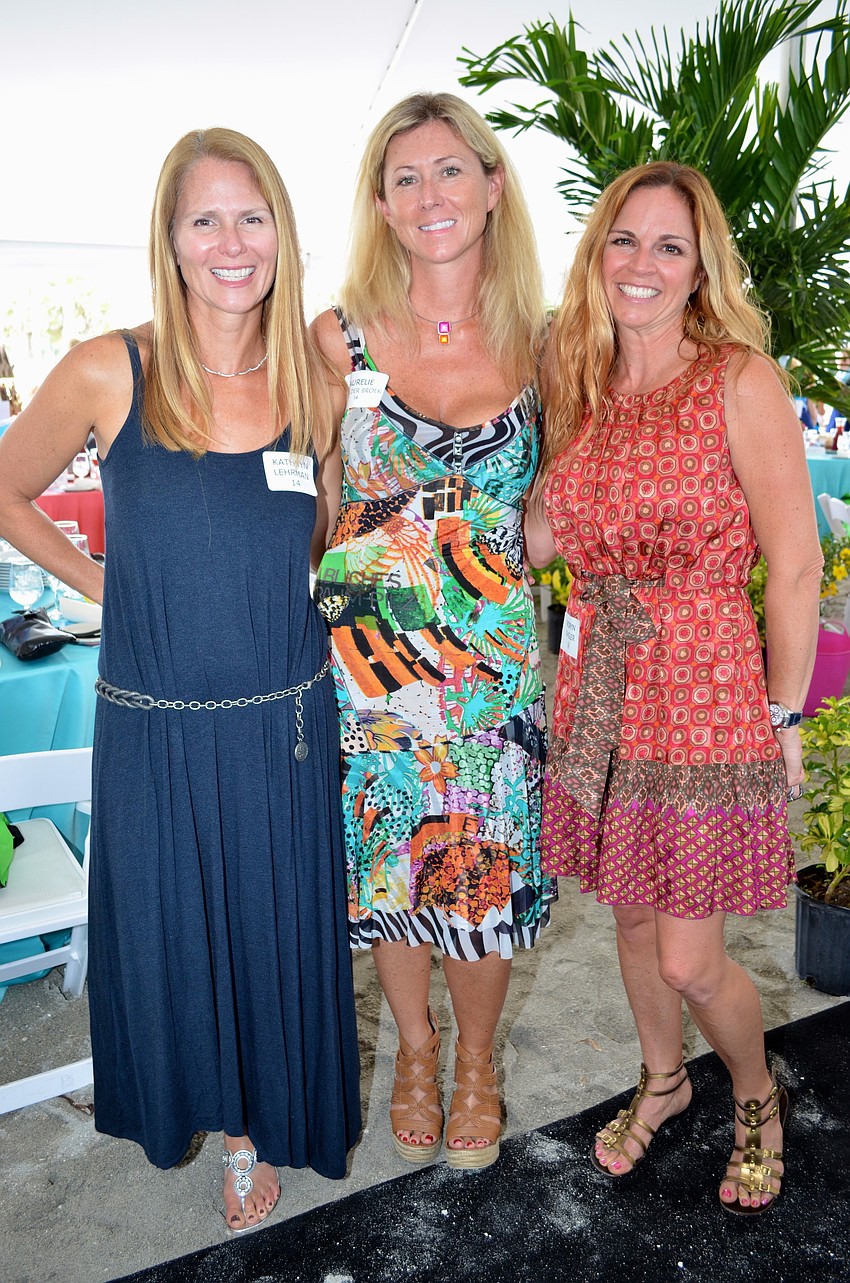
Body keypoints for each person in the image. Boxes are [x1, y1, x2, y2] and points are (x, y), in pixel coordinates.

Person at [0, 128, 361, 1233]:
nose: (230, 240)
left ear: (282, 232)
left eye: (251, 215)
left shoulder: (314, 376)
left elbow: (318, 533)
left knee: (267, 930)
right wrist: (106, 584)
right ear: (169, 236)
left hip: (284, 718)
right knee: (176, 930)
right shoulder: (113, 364)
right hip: (157, 721)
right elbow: (7, 490)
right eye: (203, 217)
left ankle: (256, 1129)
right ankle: (193, 1101)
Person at [527, 161, 822, 1214]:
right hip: (601, 681)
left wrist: (782, 712)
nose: (640, 264)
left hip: (701, 686)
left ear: (699, 268)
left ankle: (753, 1090)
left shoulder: (735, 377)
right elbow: (546, 533)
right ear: (595, 255)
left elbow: (794, 560)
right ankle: (662, 1077)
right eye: (623, 240)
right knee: (630, 920)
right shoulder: (581, 381)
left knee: (694, 954)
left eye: (667, 246)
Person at [311, 92, 554, 1170]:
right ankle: (413, 1048)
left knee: (484, 873)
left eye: (450, 170)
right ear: (380, 203)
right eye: (404, 177)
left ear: (493, 185)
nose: (429, 194)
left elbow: (563, 508)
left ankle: (476, 1062)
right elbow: (307, 491)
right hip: (364, 669)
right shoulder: (337, 335)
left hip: (494, 672)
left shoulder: (548, 345)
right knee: (388, 865)